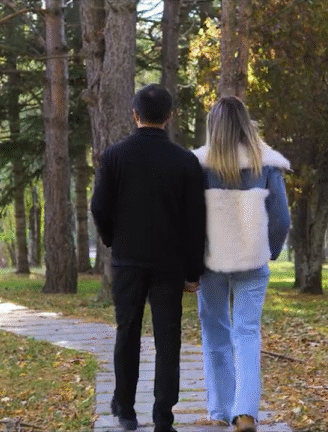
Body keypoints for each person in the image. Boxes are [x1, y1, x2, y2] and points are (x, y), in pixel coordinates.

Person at [91, 84, 206, 432]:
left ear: (134, 114)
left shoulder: (114, 157)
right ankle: (163, 417)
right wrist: (193, 271)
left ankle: (126, 411)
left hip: (128, 259)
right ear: (170, 116)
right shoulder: (186, 161)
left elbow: (99, 207)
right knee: (168, 339)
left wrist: (113, 240)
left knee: (127, 332)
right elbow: (195, 221)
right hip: (169, 263)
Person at [192, 96, 290, 432]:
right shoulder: (266, 165)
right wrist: (270, 251)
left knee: (215, 333)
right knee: (247, 333)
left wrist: (192, 259)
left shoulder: (199, 166)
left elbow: (191, 219)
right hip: (252, 260)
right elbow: (281, 219)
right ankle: (246, 412)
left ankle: (220, 410)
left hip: (211, 262)